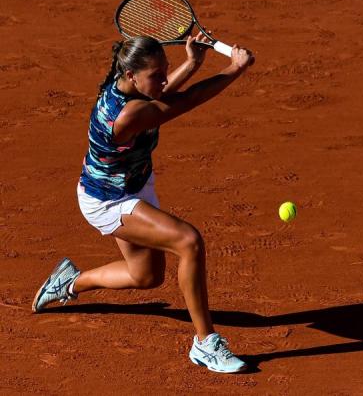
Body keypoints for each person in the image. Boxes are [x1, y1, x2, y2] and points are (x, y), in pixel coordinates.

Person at [31, 33, 255, 374]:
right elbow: (183, 101)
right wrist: (234, 68)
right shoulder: (127, 116)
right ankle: (205, 343)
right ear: (132, 75)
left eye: (166, 70)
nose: (164, 79)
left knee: (146, 276)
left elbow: (161, 94)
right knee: (189, 242)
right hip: (108, 200)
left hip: (132, 184)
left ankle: (69, 283)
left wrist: (193, 62)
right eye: (156, 74)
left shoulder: (129, 88)